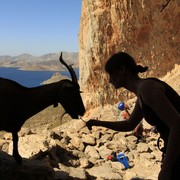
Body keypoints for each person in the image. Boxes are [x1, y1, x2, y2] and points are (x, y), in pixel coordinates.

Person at [86, 52, 180, 180]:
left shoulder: (147, 88)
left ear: (122, 70)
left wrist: (167, 167)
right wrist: (99, 123)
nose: (109, 80)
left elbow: (177, 124)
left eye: (111, 74)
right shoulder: (142, 93)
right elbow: (129, 124)